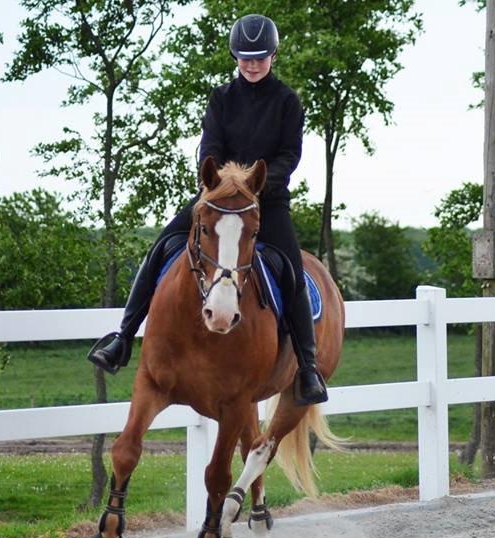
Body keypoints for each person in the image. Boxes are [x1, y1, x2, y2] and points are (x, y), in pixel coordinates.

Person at [88, 14, 328, 405]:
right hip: (217, 197)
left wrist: (255, 182)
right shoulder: (221, 98)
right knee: (160, 247)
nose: (252, 65)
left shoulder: (287, 101)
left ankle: (308, 367)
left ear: (273, 55)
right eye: (245, 58)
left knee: (292, 272)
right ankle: (122, 338)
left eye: (260, 58)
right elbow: (209, 148)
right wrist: (220, 180)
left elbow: (290, 155)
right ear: (235, 56)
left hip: (266, 200)